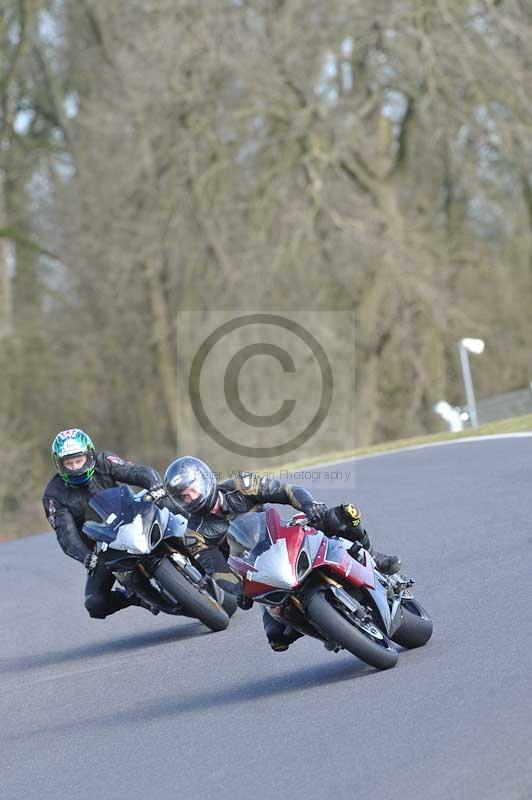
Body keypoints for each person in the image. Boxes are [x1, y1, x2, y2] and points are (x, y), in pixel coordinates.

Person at [163, 456, 401, 651]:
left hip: (284, 534)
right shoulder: (194, 534)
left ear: (204, 480)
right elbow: (217, 571)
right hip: (257, 571)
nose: (191, 498)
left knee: (341, 516)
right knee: (276, 637)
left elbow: (286, 491)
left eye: (191, 490)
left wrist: (310, 506)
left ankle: (374, 557)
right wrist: (239, 590)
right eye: (183, 496)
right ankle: (329, 631)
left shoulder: (242, 485)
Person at [42, 428, 167, 619]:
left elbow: (135, 471)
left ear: (89, 455)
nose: (76, 467)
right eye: (69, 463)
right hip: (102, 549)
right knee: (95, 603)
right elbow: (66, 536)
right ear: (59, 464)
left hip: (133, 522)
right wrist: (85, 557)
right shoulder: (54, 495)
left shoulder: (104, 461)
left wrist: (154, 484)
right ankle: (133, 596)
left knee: (169, 503)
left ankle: (201, 550)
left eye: (79, 460)